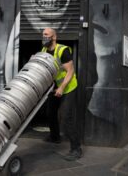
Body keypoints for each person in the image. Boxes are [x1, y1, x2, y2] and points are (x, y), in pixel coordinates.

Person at [41, 28, 82, 161]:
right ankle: (55, 137)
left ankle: (76, 149)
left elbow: (70, 71)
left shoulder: (62, 50)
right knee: (50, 112)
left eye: (46, 35)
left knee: (66, 117)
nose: (43, 37)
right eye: (43, 35)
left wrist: (62, 87)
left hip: (68, 87)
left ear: (54, 37)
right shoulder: (43, 51)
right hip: (55, 87)